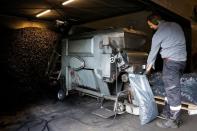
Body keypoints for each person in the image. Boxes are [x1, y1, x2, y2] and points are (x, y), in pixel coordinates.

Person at [146, 13, 187, 128]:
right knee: (171, 87)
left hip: (171, 63)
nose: (151, 28)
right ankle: (167, 112)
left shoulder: (159, 33)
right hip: (182, 61)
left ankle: (174, 120)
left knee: (172, 90)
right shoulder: (176, 25)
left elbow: (152, 53)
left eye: (150, 25)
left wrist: (147, 71)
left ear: (157, 22)